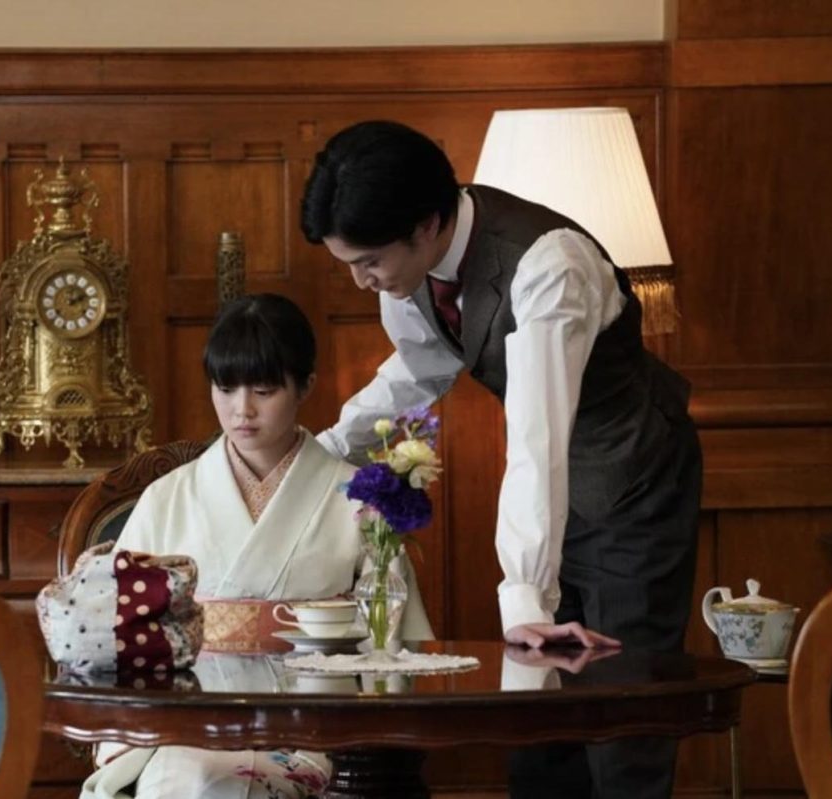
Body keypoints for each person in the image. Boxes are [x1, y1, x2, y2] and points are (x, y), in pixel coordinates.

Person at [301, 120, 701, 799]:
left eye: (368, 262)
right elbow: (420, 368)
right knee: (538, 728)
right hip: (555, 488)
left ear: (427, 225)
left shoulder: (549, 265)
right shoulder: (416, 273)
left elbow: (537, 437)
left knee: (622, 718)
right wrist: (324, 451)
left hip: (632, 481)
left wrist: (522, 599)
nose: (361, 281)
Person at [77, 292, 433, 799]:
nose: (242, 410)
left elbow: (392, 638)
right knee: (192, 779)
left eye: (264, 390)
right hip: (187, 727)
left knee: (219, 781)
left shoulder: (358, 499)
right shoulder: (167, 497)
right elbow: (119, 631)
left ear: (306, 385)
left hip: (316, 730)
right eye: (226, 389)